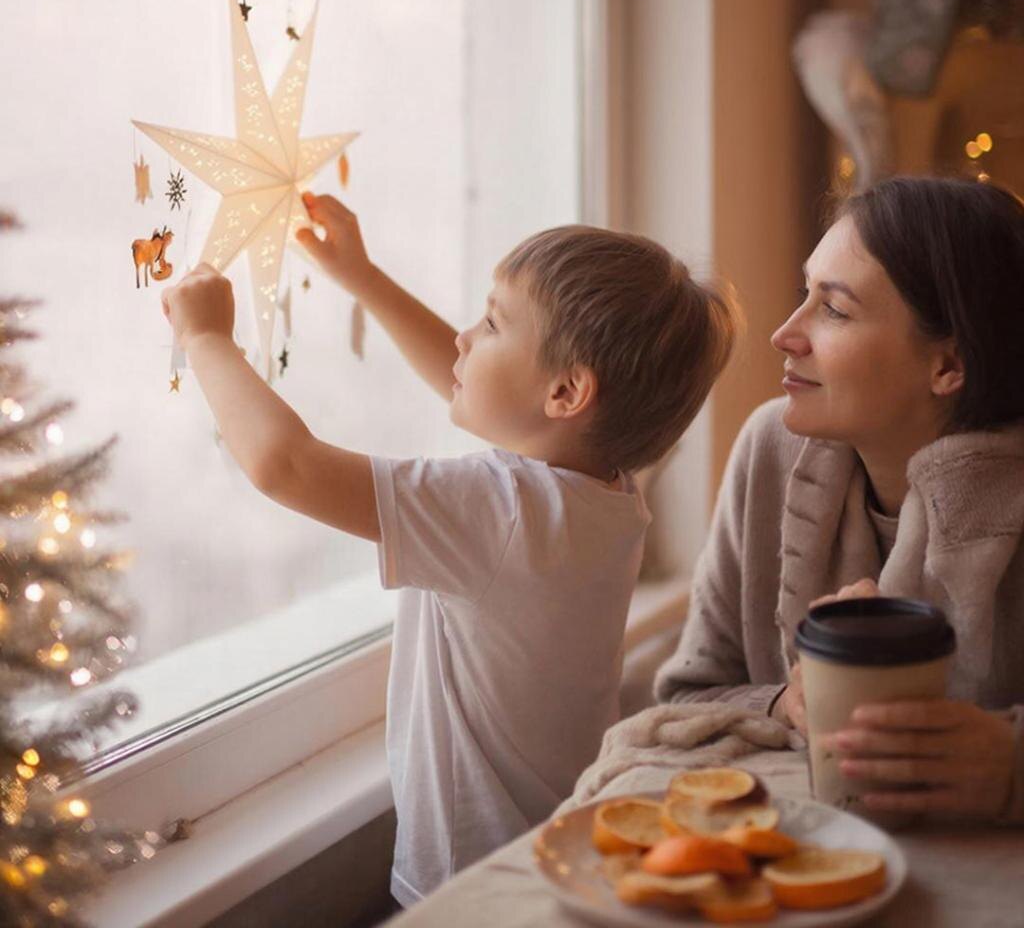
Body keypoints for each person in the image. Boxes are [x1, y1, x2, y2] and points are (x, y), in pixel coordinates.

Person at [161, 192, 737, 904]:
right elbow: (493, 394)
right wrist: (362, 276)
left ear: (566, 392)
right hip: (551, 852)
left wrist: (207, 338)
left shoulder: (499, 512)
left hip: (473, 887)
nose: (465, 338)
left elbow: (287, 466)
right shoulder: (603, 490)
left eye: (491, 323)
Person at [655, 175, 1024, 823]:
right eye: (806, 295)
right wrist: (782, 704)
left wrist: (1011, 761)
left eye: (834, 309)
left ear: (948, 365)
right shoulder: (770, 448)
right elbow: (689, 692)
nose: (784, 334)